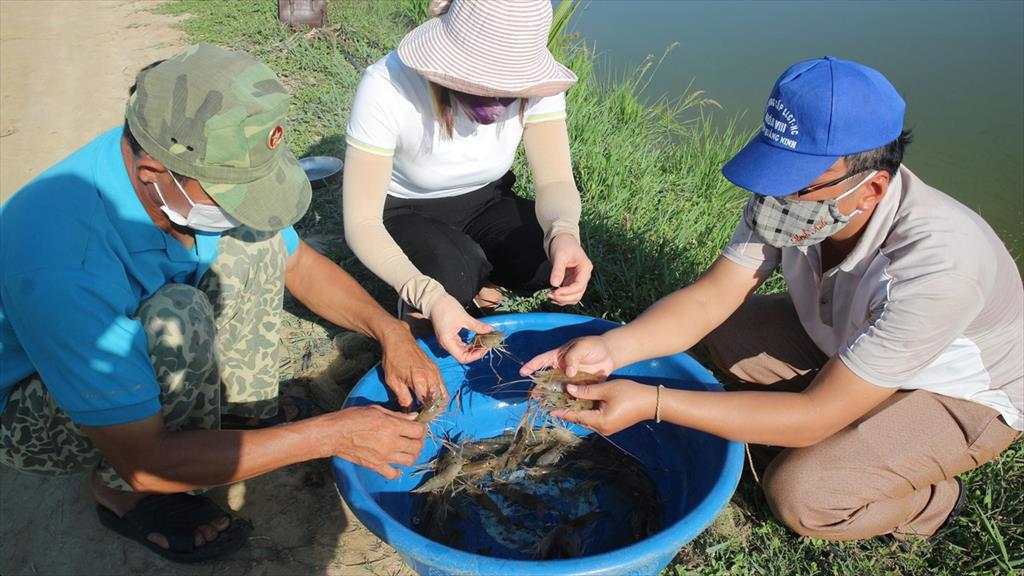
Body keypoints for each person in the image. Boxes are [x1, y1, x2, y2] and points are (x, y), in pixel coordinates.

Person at [522, 56, 1023, 542]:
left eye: (796, 185)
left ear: (870, 190)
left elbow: (813, 420)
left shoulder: (939, 269)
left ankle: (932, 501)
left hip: (953, 393)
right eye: (772, 176)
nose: (773, 201)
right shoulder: (789, 199)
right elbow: (710, 299)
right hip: (850, 338)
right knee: (725, 330)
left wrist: (654, 402)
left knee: (801, 493)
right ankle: (858, 413)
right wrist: (615, 349)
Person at [0, 44, 442, 563]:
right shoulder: (62, 267)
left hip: (127, 332)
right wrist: (328, 435)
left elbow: (296, 265)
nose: (242, 204)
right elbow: (145, 460)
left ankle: (240, 420)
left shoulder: (185, 165)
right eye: (229, 192)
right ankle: (120, 497)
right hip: (34, 409)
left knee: (254, 238)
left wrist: (391, 332)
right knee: (176, 318)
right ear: (152, 175)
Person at [343, 0, 593, 364]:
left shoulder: (538, 85)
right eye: (481, 86)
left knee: (544, 258)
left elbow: (554, 178)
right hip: (405, 207)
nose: (496, 102)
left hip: (487, 198)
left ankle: (480, 283)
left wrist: (563, 232)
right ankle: (419, 313)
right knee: (450, 275)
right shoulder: (386, 86)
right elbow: (361, 221)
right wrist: (428, 295)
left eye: (509, 91)